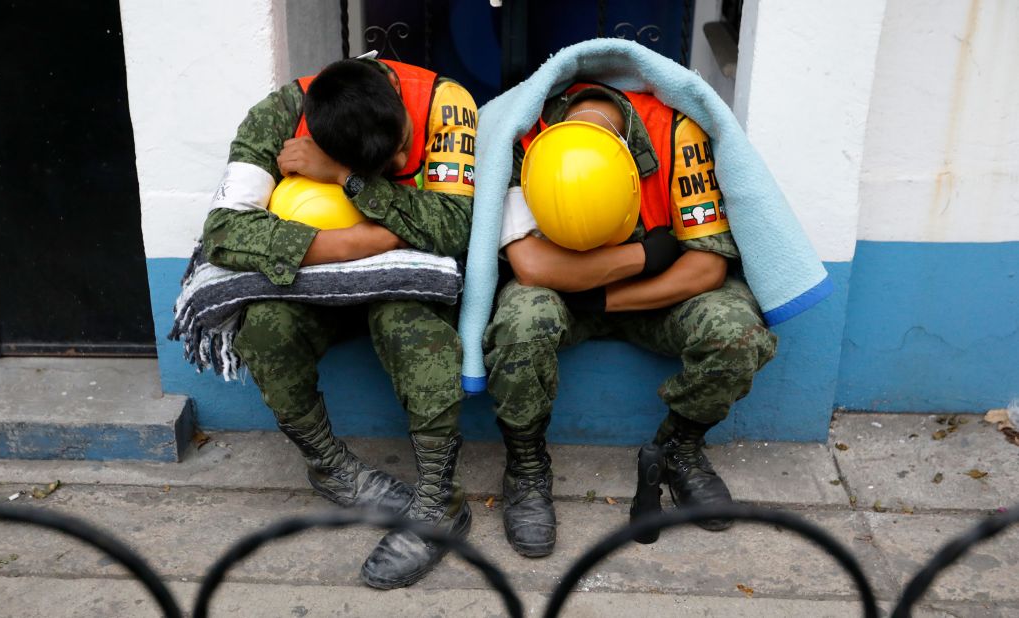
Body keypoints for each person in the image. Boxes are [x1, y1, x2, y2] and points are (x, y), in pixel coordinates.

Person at [200, 57, 477, 588]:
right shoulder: (281, 113)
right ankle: (332, 469)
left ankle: (440, 501)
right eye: (391, 159)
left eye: (403, 143)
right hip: (315, 282)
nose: (403, 157)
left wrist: (347, 179)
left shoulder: (447, 105)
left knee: (415, 330)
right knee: (265, 326)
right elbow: (223, 231)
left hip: (402, 287)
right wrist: (350, 244)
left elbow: (453, 226)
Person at [483, 83, 778, 555]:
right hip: (567, 294)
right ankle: (526, 467)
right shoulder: (523, 140)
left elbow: (706, 266)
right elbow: (532, 268)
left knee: (736, 332)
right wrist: (642, 255)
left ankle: (679, 450)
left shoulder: (676, 136)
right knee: (519, 323)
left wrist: (602, 298)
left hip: (655, 298)